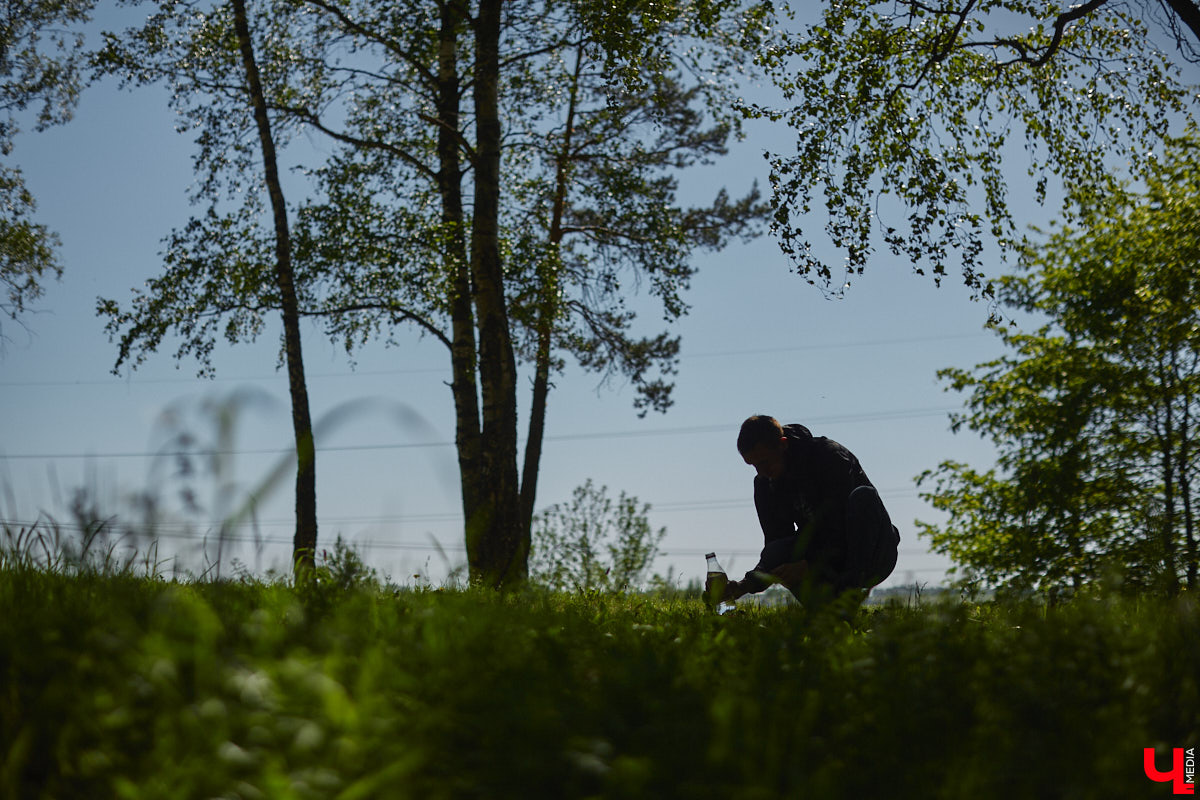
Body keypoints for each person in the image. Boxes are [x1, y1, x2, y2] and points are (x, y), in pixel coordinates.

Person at [710, 415, 900, 605]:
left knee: (864, 496)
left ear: (783, 445)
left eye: (765, 462)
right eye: (753, 466)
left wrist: (811, 565)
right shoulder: (765, 484)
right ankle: (822, 611)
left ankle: (845, 603)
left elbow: (840, 529)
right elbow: (775, 549)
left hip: (873, 553)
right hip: (820, 557)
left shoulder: (829, 457)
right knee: (777, 552)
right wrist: (743, 586)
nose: (761, 472)